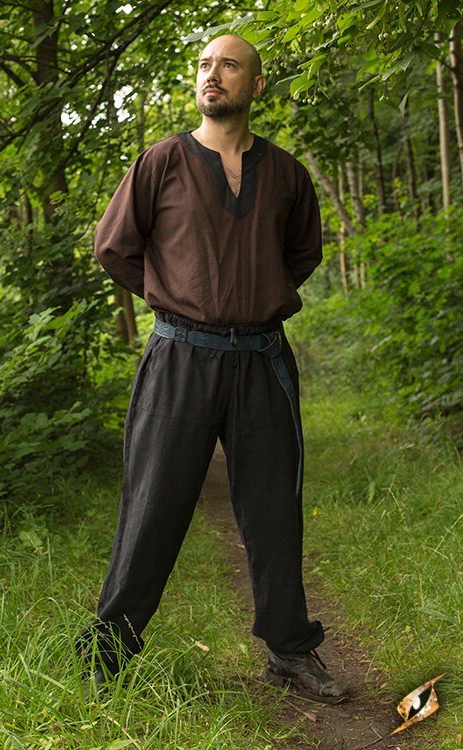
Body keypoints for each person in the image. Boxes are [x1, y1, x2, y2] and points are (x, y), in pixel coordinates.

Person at [77, 34, 348, 704]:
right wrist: (176, 295)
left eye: (228, 65)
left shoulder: (286, 173)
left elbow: (302, 253)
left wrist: (254, 296)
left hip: (261, 361)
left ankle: (290, 650)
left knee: (274, 510)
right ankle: (107, 653)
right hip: (179, 357)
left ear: (255, 85)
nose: (212, 74)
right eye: (204, 65)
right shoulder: (163, 161)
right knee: (152, 506)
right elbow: (113, 246)